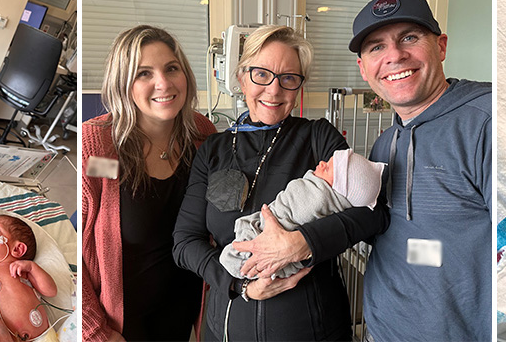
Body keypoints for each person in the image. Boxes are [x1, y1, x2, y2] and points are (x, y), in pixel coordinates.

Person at [173, 25, 387, 341]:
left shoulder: (318, 137)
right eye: (261, 74)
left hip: (314, 327)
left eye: (289, 78)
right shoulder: (213, 150)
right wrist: (241, 285)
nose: (274, 90)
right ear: (241, 77)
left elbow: (373, 214)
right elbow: (185, 242)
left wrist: (302, 243)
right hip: (227, 326)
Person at [350, 0, 492, 341]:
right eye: (375, 47)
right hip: (381, 332)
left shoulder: (486, 123)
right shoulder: (385, 143)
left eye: (409, 38)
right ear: (363, 68)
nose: (394, 56)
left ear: (441, 46)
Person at [81, 25, 217, 341]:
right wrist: (96, 332)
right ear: (124, 84)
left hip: (183, 314)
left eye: (172, 68)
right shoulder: (100, 146)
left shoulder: (202, 135)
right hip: (123, 326)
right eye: (144, 73)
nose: (163, 83)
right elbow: (76, 251)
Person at [220, 148, 385, 279]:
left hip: (264, 242)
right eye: (327, 161)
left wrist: (300, 242)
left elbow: (293, 205)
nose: (321, 163)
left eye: (327, 169)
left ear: (339, 190)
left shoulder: (318, 196)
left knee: (233, 257)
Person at [0, 215, 58, 342]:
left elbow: (51, 291)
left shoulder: (23, 271)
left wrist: (32, 268)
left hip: (45, 337)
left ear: (17, 249)